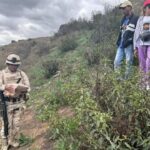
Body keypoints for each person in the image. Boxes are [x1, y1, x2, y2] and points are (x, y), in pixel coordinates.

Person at [0, 54, 30, 150]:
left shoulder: (21, 73)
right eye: (11, 64)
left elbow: (28, 87)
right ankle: (5, 143)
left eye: (16, 65)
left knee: (16, 124)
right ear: (7, 64)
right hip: (6, 103)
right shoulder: (2, 73)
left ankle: (14, 141)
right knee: (6, 124)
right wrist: (8, 87)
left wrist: (21, 88)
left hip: (18, 102)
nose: (13, 66)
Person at [114, 0, 138, 80]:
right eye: (122, 8)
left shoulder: (136, 19)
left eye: (124, 8)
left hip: (129, 44)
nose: (123, 10)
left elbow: (137, 33)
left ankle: (128, 81)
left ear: (130, 8)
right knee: (117, 62)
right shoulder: (123, 19)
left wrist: (135, 46)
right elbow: (121, 32)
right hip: (121, 44)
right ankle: (118, 80)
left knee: (128, 63)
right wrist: (118, 41)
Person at [134, 0, 150, 90]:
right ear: (145, 8)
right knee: (142, 64)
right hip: (141, 44)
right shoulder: (140, 19)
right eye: (149, 7)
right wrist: (135, 47)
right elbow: (136, 33)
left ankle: (148, 83)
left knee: (149, 62)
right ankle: (142, 85)